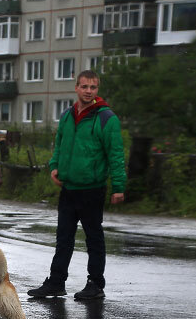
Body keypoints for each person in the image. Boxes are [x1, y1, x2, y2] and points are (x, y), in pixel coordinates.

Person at [28, 70, 126, 301]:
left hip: (92, 188)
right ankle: (56, 282)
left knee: (93, 238)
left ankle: (95, 284)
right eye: (84, 87)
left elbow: (116, 154)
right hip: (69, 188)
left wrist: (119, 186)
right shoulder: (67, 115)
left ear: (97, 90)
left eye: (93, 87)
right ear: (77, 88)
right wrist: (54, 167)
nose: (88, 91)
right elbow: (59, 145)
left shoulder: (106, 118)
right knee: (63, 238)